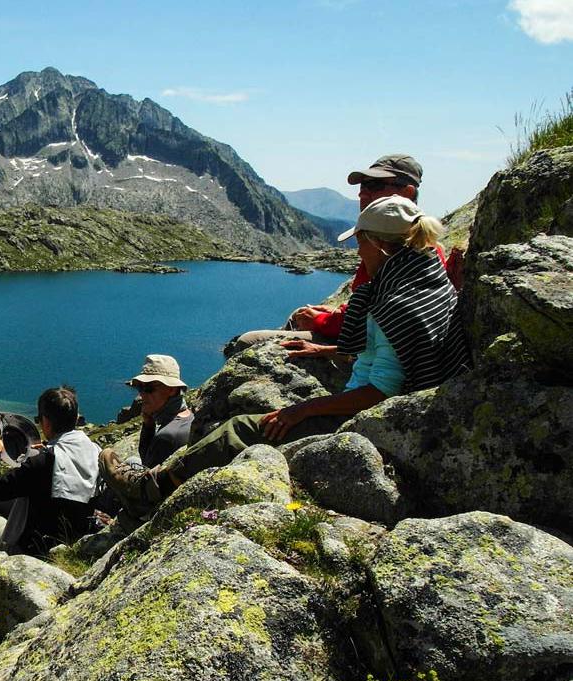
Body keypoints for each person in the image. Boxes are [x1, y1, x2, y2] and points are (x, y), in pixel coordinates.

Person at [104, 195, 470, 519]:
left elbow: (383, 392)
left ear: (378, 243)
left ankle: (148, 491)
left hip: (375, 420)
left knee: (240, 428)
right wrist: (325, 350)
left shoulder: (392, 303)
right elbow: (387, 353)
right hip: (406, 404)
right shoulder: (425, 277)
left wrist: (305, 410)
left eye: (360, 243)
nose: (358, 253)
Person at [230, 154, 426, 353]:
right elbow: (370, 308)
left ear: (407, 192)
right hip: (355, 339)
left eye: (375, 186)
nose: (362, 194)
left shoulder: (395, 249)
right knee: (298, 315)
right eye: (362, 187)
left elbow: (378, 332)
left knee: (248, 342)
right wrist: (338, 312)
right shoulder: (395, 239)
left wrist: (321, 323)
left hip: (362, 354)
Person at [0, 385, 100, 567]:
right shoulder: (94, 450)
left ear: (45, 421)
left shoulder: (43, 462)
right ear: (75, 418)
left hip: (32, 554)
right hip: (73, 538)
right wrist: (46, 449)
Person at [94, 355, 192, 524]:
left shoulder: (168, 435)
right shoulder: (186, 417)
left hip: (151, 508)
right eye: (140, 388)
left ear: (171, 390)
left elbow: (147, 482)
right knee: (132, 460)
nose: (141, 395)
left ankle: (106, 520)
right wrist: (148, 424)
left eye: (149, 389)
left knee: (114, 475)